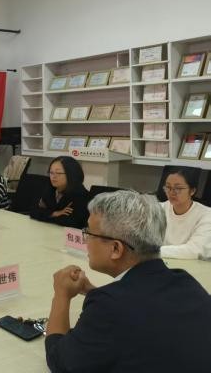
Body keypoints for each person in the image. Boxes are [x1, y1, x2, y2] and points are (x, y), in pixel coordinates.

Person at [45, 190, 211, 372]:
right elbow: (143, 311)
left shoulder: (107, 307)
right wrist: (93, 291)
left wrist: (61, 295)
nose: (86, 240)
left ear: (116, 248)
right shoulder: (186, 281)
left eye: (89, 233)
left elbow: (61, 362)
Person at [160, 168, 211, 259]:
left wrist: (152, 252)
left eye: (178, 188)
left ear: (192, 191)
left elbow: (195, 250)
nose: (171, 192)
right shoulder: (158, 208)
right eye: (168, 187)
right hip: (162, 261)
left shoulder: (206, 214)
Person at [29, 156, 90, 228]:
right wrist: (55, 213)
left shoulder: (81, 194)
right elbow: (33, 211)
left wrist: (46, 214)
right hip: (46, 230)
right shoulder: (49, 187)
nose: (53, 176)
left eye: (58, 173)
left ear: (71, 174)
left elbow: (72, 222)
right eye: (51, 172)